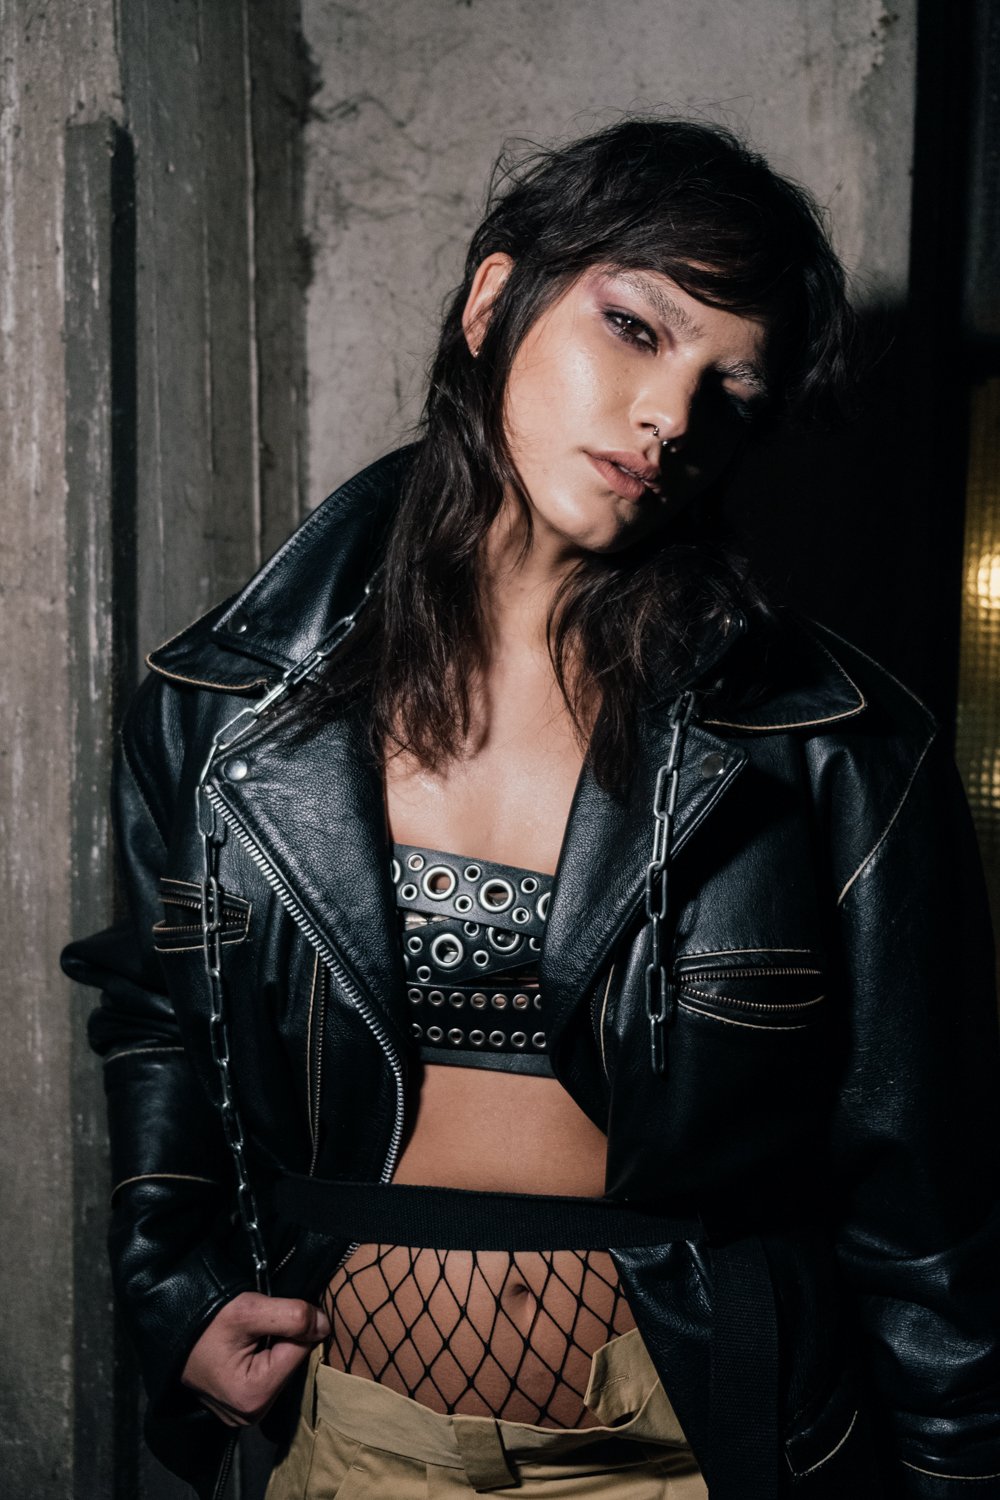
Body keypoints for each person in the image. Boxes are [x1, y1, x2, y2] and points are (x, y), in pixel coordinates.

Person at [62, 118, 1000, 1500]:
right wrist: (166, 1282)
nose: (672, 417)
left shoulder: (838, 749)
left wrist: (961, 1477)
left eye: (727, 388)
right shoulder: (221, 706)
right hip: (356, 1435)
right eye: (635, 327)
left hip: (697, 1449)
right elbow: (156, 1013)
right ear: (494, 300)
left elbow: (923, 1188)